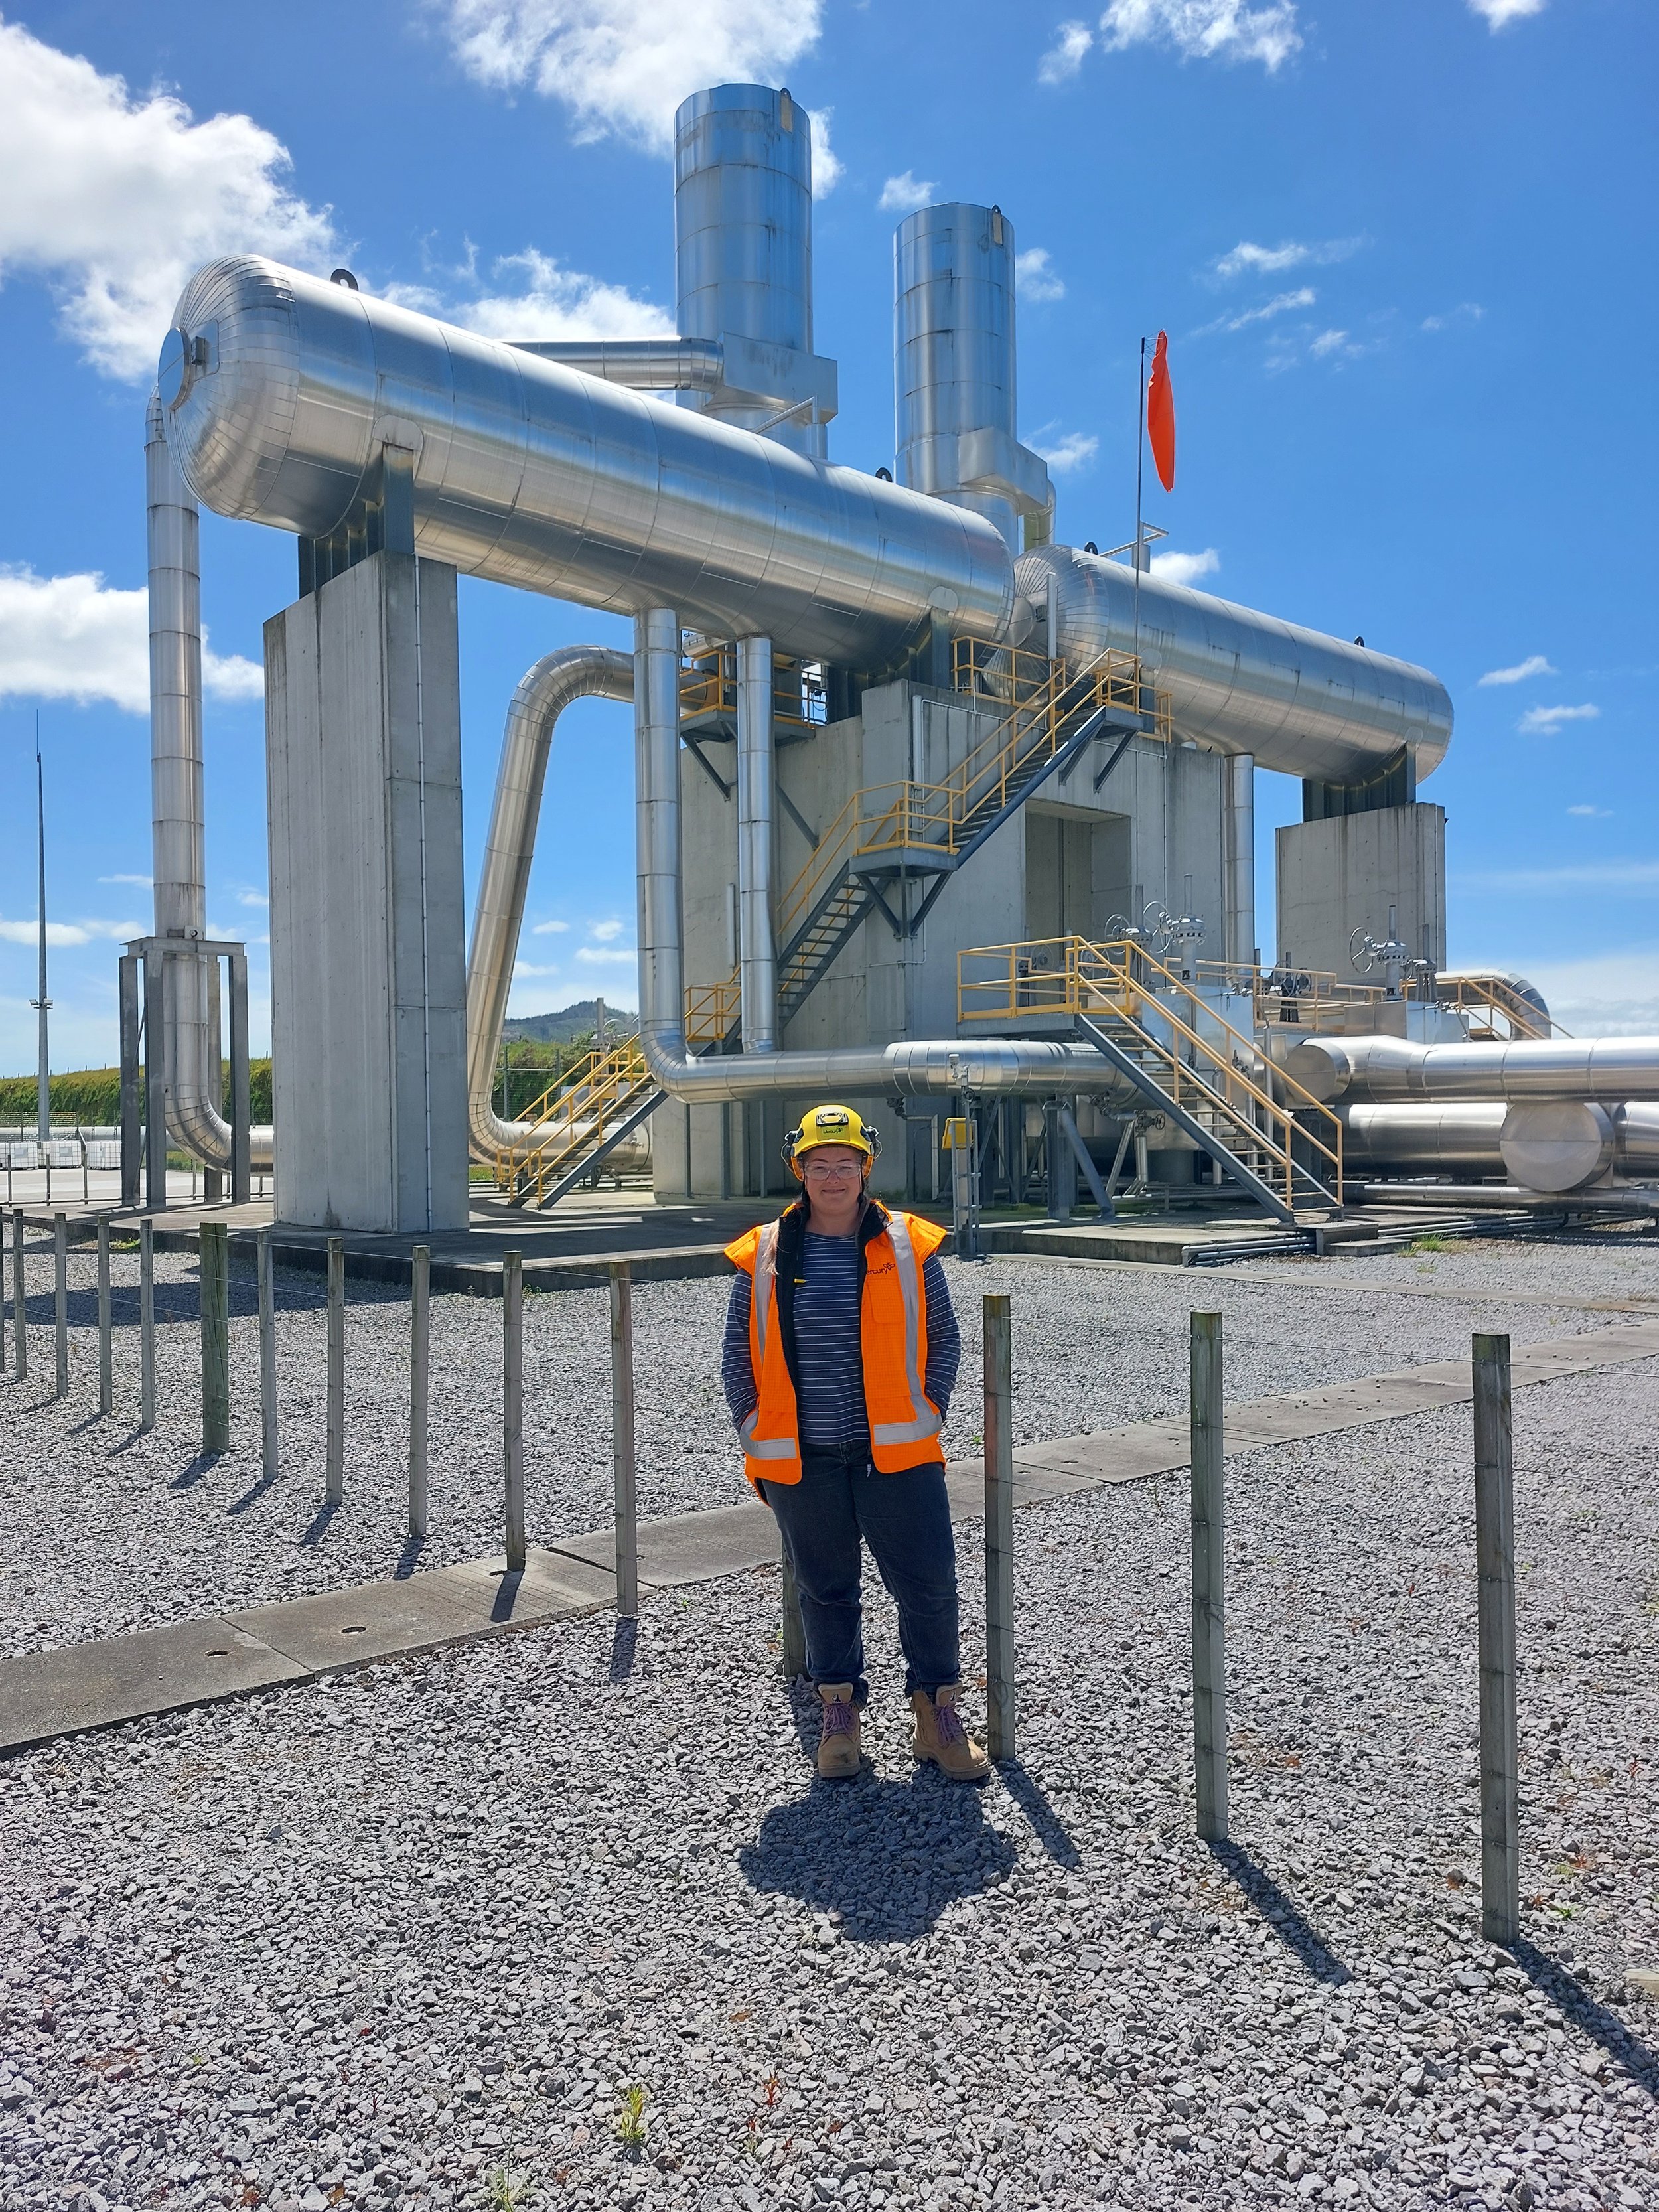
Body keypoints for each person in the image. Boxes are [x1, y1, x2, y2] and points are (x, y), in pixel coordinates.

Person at [722, 1103, 989, 1785]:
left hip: (895, 1455)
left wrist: (929, 1410)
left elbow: (945, 1339)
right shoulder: (764, 1253)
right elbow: (736, 1356)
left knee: (928, 1588)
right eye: (820, 1166)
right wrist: (751, 1424)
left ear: (865, 1169)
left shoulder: (906, 1245)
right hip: (801, 1458)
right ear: (800, 1171)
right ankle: (838, 1711)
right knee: (825, 1591)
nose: (833, 1177)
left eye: (845, 1165)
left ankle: (937, 1715)